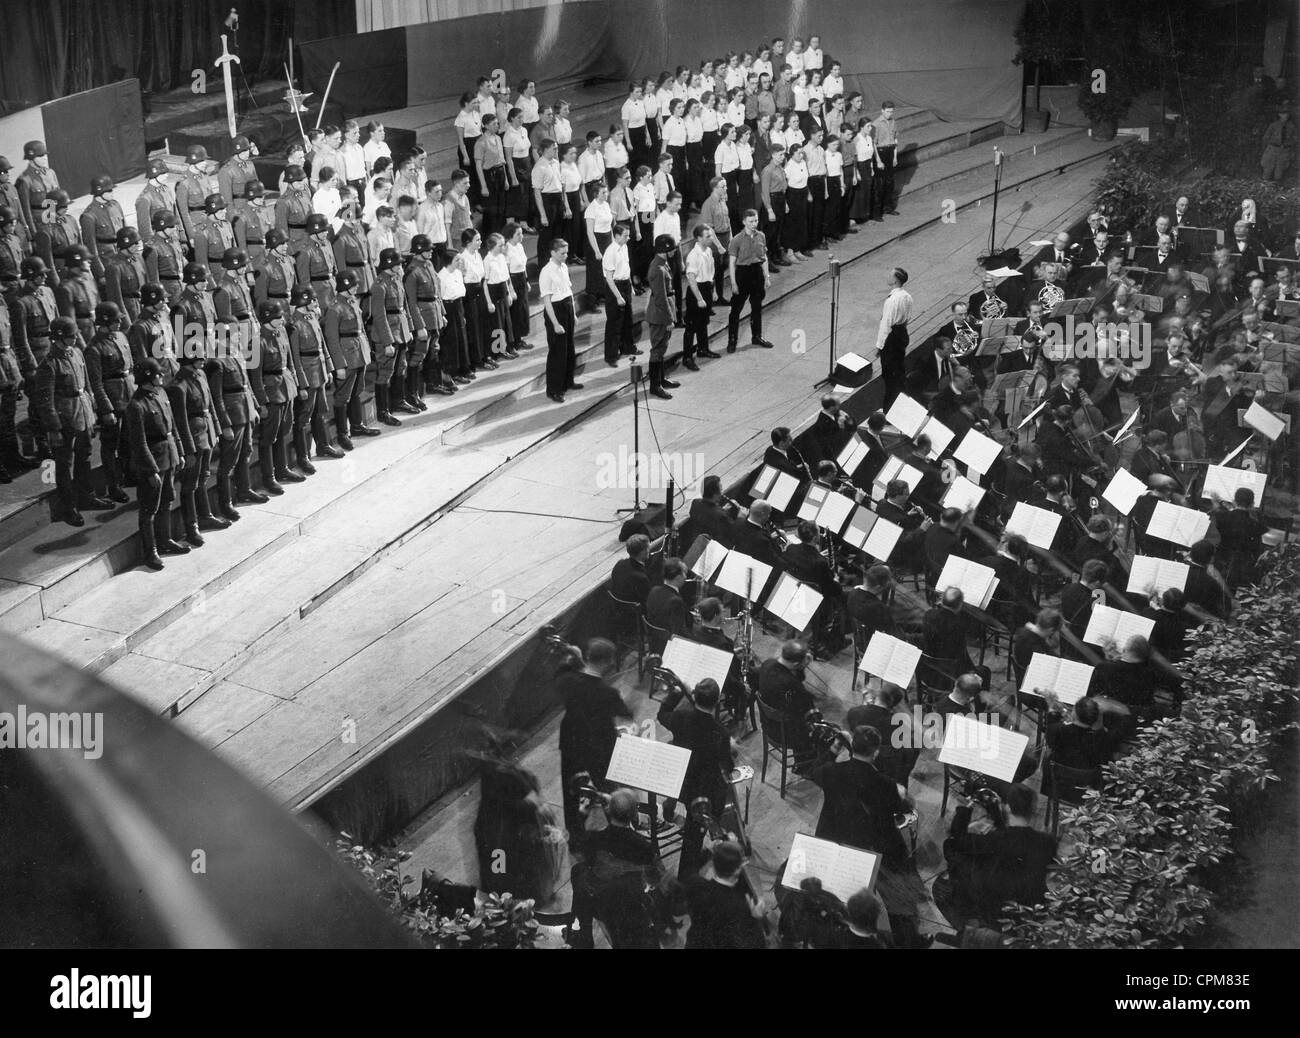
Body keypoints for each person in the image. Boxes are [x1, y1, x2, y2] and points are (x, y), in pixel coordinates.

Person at [943, 783, 1056, 927]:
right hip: (1032, 904)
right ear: (1033, 809)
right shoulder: (1048, 842)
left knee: (954, 851)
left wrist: (967, 807)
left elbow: (956, 840)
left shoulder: (993, 840)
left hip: (997, 907)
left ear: (1008, 807)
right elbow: (1016, 840)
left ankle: (962, 902)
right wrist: (997, 816)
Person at [557, 638, 632, 847]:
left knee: (570, 790)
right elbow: (625, 712)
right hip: (598, 748)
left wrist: (573, 657)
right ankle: (617, 830)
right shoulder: (607, 692)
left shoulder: (568, 681)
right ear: (607, 662)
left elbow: (563, 673)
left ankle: (575, 836)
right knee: (607, 788)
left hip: (571, 743)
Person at [32, 317, 101, 526]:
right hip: (65, 418)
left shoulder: (77, 352)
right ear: (58, 338)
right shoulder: (49, 364)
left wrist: (92, 407)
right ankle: (68, 507)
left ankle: (86, 497)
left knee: (85, 455)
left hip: (82, 412)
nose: (74, 339)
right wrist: (54, 427)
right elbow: (45, 400)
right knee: (63, 464)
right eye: (70, 336)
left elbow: (86, 382)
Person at [123, 356, 191, 569]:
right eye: (158, 374)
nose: (162, 376)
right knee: (149, 509)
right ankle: (150, 551)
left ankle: (166, 540)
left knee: (167, 500)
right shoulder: (136, 405)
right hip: (153, 462)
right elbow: (139, 443)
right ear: (148, 378)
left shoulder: (161, 394)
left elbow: (173, 426)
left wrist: (179, 451)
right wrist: (151, 470)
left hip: (168, 455)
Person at [682, 839, 765, 948]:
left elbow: (688, 870)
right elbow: (754, 944)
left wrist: (708, 851)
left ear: (713, 864)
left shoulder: (696, 884)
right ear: (737, 870)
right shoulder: (738, 907)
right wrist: (756, 917)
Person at [757, 640, 817, 763]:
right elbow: (806, 704)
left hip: (767, 723)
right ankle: (805, 765)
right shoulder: (790, 683)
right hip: (783, 733)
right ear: (795, 664)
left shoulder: (767, 664)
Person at [539, 238, 580, 403]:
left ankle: (568, 382)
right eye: (562, 253)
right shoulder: (546, 272)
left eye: (567, 252)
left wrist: (574, 313)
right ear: (553, 253)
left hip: (568, 308)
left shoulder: (563, 266)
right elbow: (547, 301)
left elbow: (569, 291)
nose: (566, 255)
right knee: (557, 352)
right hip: (555, 311)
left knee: (570, 348)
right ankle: (554, 389)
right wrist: (555, 323)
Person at [727, 208, 773, 353]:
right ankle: (732, 340)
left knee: (757, 306)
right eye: (751, 221)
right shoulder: (737, 240)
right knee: (736, 309)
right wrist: (733, 283)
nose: (754, 224)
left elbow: (764, 257)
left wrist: (767, 276)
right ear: (744, 222)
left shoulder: (761, 236)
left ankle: (757, 336)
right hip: (743, 274)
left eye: (756, 220)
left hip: (756, 273)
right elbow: (732, 263)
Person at [645, 233, 679, 400]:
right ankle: (655, 385)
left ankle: (661, 379)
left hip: (664, 311)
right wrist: (669, 319)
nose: (674, 252)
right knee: (657, 349)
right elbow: (661, 298)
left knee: (662, 347)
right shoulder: (657, 269)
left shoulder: (662, 264)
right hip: (660, 315)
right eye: (672, 249)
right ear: (665, 250)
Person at [876, 267, 913, 405]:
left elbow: (886, 324)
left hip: (891, 338)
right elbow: (908, 317)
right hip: (901, 334)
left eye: (890, 275)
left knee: (890, 375)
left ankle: (890, 408)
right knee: (899, 371)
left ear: (896, 279)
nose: (888, 276)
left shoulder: (892, 300)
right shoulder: (907, 296)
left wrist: (880, 345)